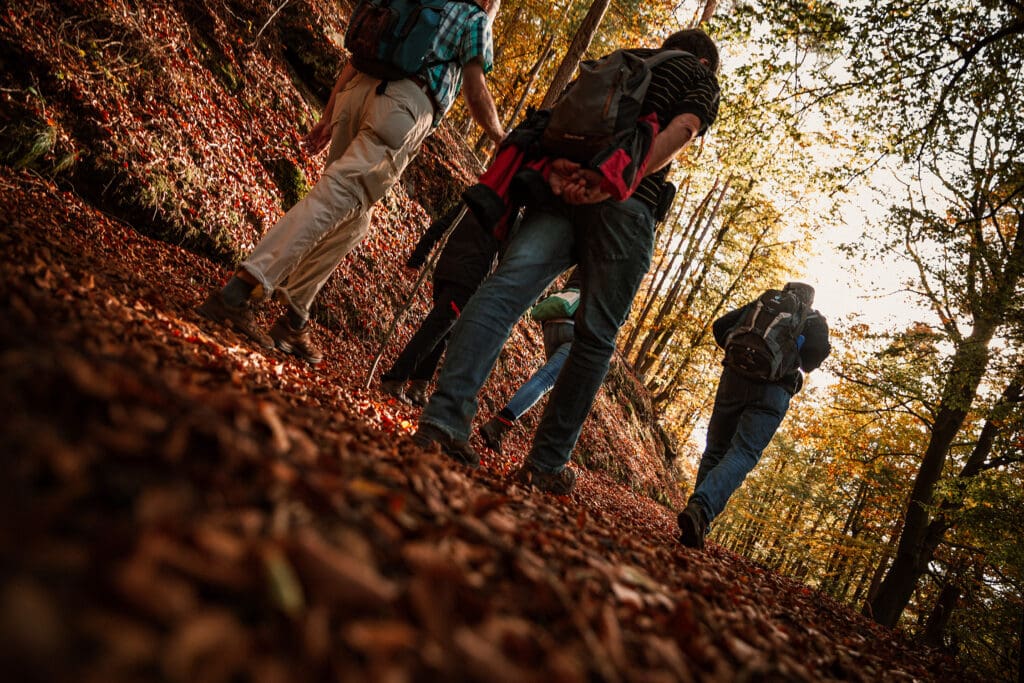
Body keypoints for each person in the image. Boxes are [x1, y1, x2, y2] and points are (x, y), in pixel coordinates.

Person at [413, 28, 722, 492]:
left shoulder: (619, 62)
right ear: (704, 62)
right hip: (627, 204)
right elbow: (682, 129)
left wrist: (564, 175)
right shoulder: (697, 75)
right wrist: (615, 181)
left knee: (504, 291)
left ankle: (443, 419)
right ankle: (546, 463)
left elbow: (558, 126)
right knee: (594, 338)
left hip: (558, 191)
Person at [197, 0, 505, 364]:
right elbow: (474, 87)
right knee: (332, 200)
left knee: (355, 221)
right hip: (402, 110)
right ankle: (239, 291)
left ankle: (294, 316)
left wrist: (329, 115)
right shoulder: (473, 18)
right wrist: (502, 138)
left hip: (355, 94)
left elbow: (358, 55)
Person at [677, 282, 831, 550]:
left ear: (786, 291)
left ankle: (698, 513)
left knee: (714, 450)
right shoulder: (813, 319)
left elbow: (720, 326)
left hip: (733, 379)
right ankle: (701, 511)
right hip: (773, 392)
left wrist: (739, 355)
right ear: (810, 300)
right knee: (743, 452)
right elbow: (810, 362)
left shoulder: (765, 302)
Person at [380, 204, 500, 405]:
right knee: (435, 329)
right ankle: (396, 378)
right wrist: (417, 258)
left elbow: (440, 225)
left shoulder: (478, 198)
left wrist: (418, 257)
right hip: (466, 281)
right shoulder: (506, 217)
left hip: (445, 272)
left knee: (444, 332)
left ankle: (419, 385)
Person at [478, 271, 580, 454]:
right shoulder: (621, 271)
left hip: (554, 319)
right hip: (575, 327)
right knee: (547, 380)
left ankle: (502, 428)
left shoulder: (591, 252)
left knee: (547, 378)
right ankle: (499, 425)